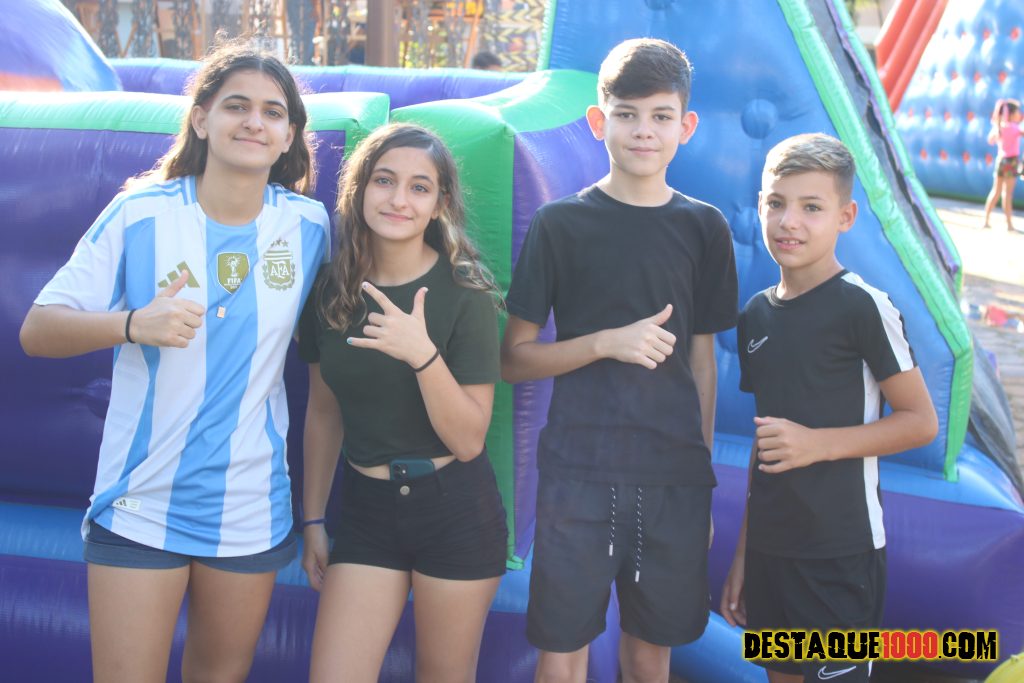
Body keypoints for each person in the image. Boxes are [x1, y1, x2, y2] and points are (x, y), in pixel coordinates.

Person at [18, 38, 330, 683]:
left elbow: (328, 363)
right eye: (236, 105)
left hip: (249, 508)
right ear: (201, 119)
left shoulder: (309, 226)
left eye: (273, 112)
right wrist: (134, 324)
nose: (254, 121)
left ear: (288, 136)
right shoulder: (140, 212)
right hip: (141, 502)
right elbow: (37, 330)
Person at [502, 38, 738, 683]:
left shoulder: (705, 228)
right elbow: (514, 360)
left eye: (661, 116)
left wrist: (700, 479)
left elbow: (703, 365)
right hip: (578, 473)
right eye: (627, 114)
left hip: (671, 478)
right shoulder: (559, 224)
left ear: (686, 126)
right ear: (597, 120)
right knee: (562, 651)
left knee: (649, 655)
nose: (644, 131)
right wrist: (605, 343)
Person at [720, 133, 938, 683]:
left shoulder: (863, 307)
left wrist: (818, 445)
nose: (789, 221)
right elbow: (768, 446)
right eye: (776, 203)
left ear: (846, 216)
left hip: (840, 554)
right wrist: (745, 556)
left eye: (811, 207)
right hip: (771, 552)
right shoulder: (756, 316)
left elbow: (920, 422)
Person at [298, 123, 508, 683]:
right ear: (360, 189)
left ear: (440, 203)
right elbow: (323, 412)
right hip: (367, 511)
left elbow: (469, 439)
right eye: (384, 180)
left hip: (455, 509)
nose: (398, 199)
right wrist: (313, 518)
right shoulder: (328, 291)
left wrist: (423, 356)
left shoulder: (466, 293)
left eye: (419, 187)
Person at [983, 98, 1023, 231]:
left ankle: (986, 219)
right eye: (1017, 112)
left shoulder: (999, 127)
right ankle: (1009, 224)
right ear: (1011, 114)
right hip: (1011, 162)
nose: (1020, 114)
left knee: (996, 191)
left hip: (1001, 161)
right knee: (1007, 194)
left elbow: (990, 140)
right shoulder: (1015, 128)